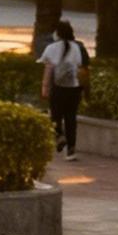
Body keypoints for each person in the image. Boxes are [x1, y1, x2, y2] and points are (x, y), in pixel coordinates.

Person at [39, 18, 91, 160]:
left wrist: (45, 87)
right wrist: (86, 90)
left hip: (58, 88)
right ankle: (71, 151)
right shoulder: (79, 48)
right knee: (71, 118)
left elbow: (48, 69)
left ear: (58, 33)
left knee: (55, 117)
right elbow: (84, 70)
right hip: (74, 89)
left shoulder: (52, 48)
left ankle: (59, 136)